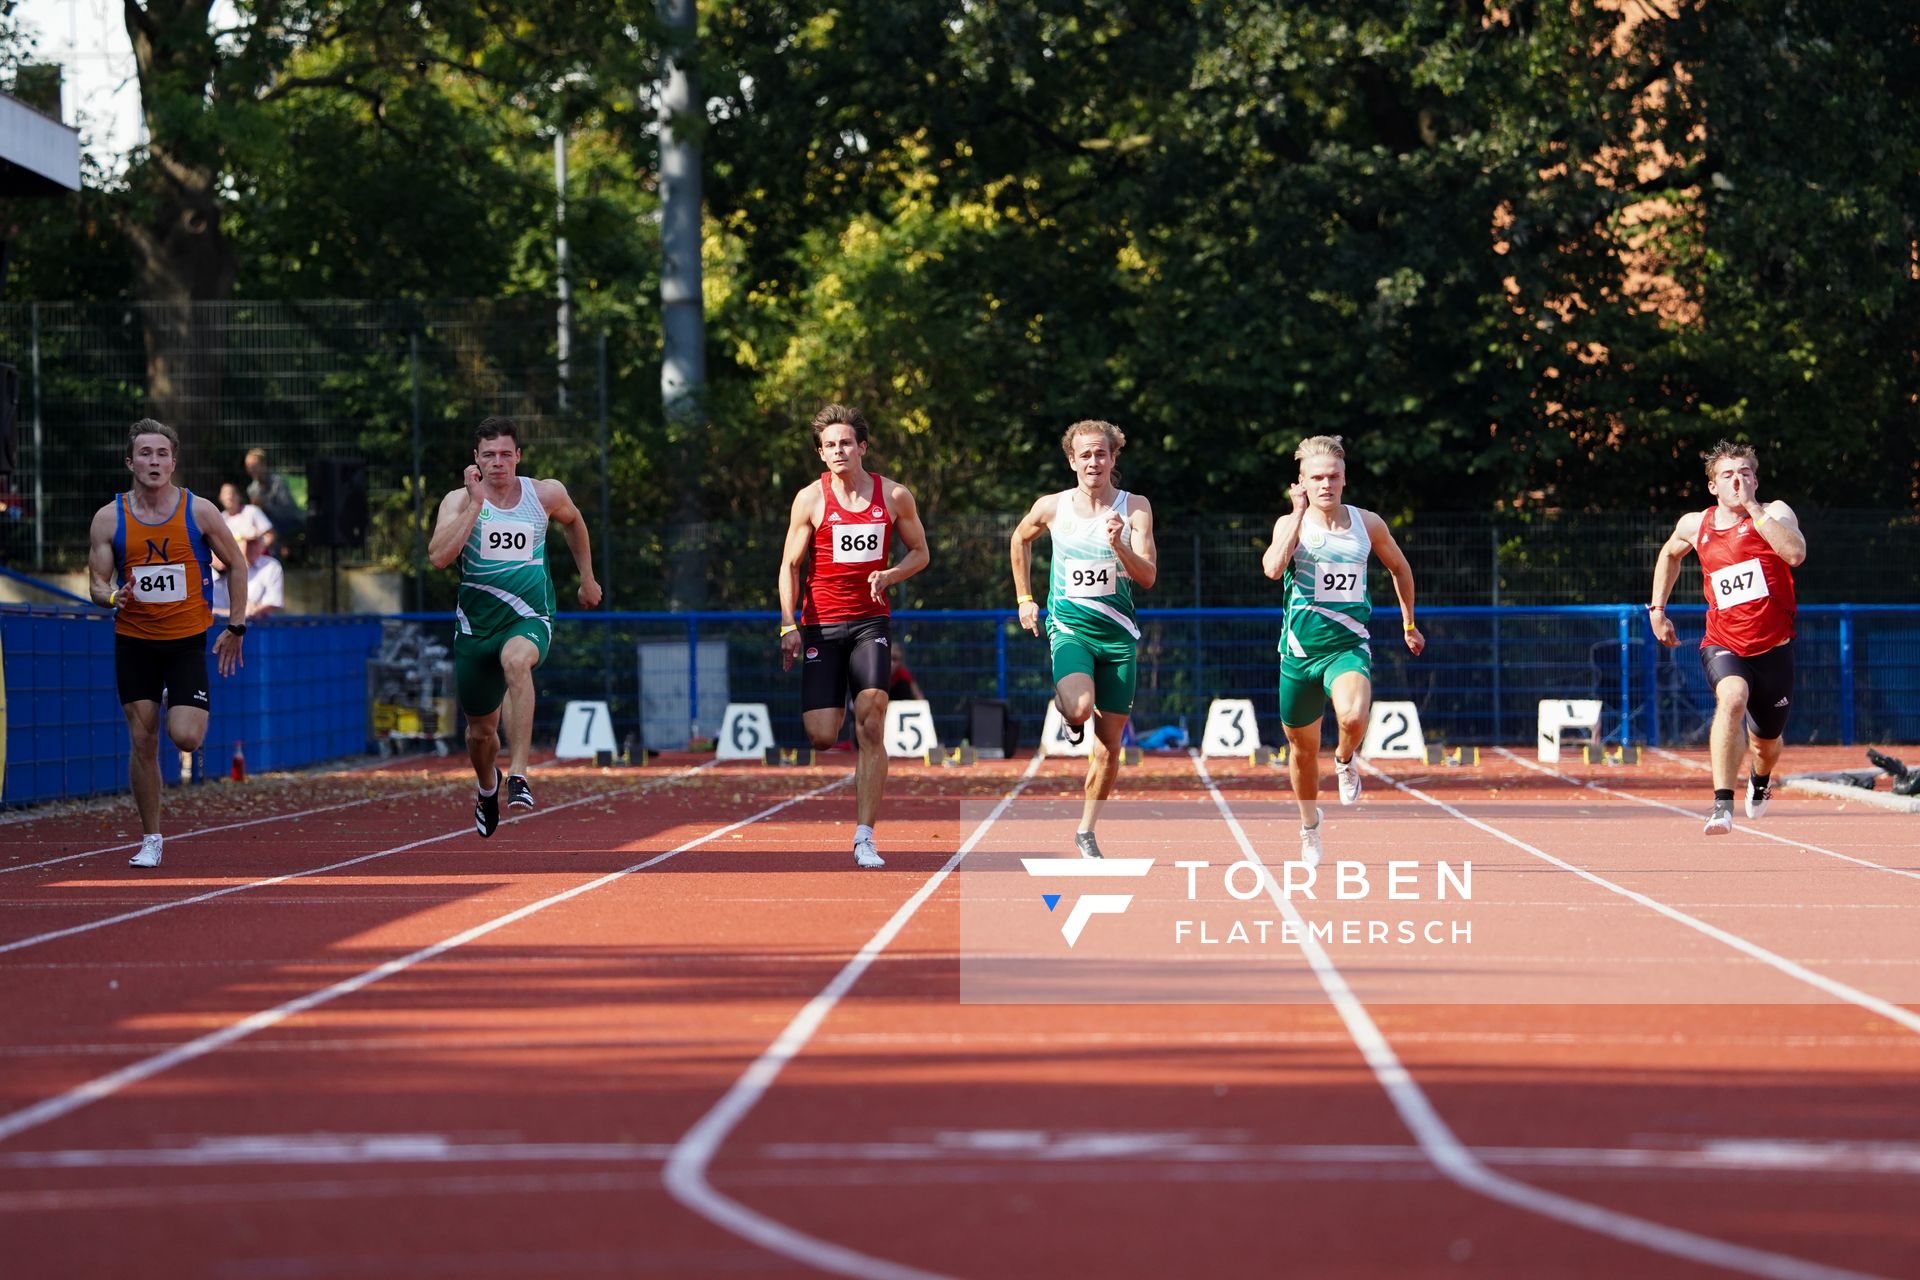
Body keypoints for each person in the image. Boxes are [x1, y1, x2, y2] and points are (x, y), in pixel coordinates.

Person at [87, 419, 251, 868]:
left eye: (162, 454)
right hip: (134, 642)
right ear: (130, 461)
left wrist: (235, 626)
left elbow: (237, 564)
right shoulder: (109, 517)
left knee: (186, 738)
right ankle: (151, 838)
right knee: (142, 740)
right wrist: (112, 596)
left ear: (173, 462)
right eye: (145, 454)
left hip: (184, 643)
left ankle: (174, 696)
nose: (154, 462)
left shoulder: (199, 512)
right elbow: (97, 585)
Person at [428, 417, 601, 837]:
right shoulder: (457, 501)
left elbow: (574, 521)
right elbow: (438, 558)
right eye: (489, 455)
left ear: (518, 456)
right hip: (475, 629)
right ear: (476, 460)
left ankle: (520, 774)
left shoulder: (544, 494)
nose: (498, 463)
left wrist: (587, 578)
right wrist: (474, 504)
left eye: (506, 454)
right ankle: (490, 786)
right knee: (480, 735)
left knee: (517, 662)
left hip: (529, 615)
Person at [777, 404, 931, 868]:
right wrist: (789, 625)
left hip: (870, 622)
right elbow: (789, 566)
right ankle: (834, 693)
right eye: (829, 445)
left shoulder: (895, 496)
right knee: (823, 736)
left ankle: (865, 836)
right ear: (821, 454)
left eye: (846, 443)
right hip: (822, 625)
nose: (838, 451)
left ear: (862, 447)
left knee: (871, 720)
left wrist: (890, 575)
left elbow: (920, 553)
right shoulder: (810, 499)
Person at [1261, 435, 1422, 868]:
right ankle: (1309, 827)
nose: (1326, 485)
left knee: (1352, 716)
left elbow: (1400, 568)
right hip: (1298, 655)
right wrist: (1296, 514)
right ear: (1302, 483)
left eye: (1333, 477)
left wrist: (1408, 623)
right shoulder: (1290, 524)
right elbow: (1273, 568)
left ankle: (1346, 758)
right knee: (1301, 751)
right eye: (1316, 478)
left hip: (1347, 649)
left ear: (1344, 479)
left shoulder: (1367, 524)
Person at [1010, 419, 1159, 860]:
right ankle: (1072, 715)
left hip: (1118, 639)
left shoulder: (1135, 509)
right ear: (1072, 460)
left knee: (1110, 744)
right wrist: (1024, 598)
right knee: (1077, 706)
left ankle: (1086, 830)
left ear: (1114, 459)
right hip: (1070, 629)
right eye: (1085, 454)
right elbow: (1020, 538)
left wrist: (1121, 546)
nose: (1094, 461)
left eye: (1102, 453)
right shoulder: (1053, 508)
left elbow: (1148, 577)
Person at [1648, 441, 1806, 834]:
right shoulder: (1695, 524)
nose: (1738, 480)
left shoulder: (1774, 513)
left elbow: (1795, 554)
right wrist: (1657, 610)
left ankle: (1761, 778)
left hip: (1774, 649)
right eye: (1728, 475)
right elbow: (1669, 554)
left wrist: (1754, 510)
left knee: (1765, 745)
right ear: (1713, 487)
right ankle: (1721, 804)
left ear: (1756, 479)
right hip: (1724, 642)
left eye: (1745, 473)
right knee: (1732, 697)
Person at [244, 448, 305, 543]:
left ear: (264, 465)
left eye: (255, 465)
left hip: (288, 522)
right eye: (249, 466)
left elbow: (288, 511)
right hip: (268, 524)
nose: (252, 469)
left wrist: (265, 506)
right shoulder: (252, 489)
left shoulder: (278, 483)